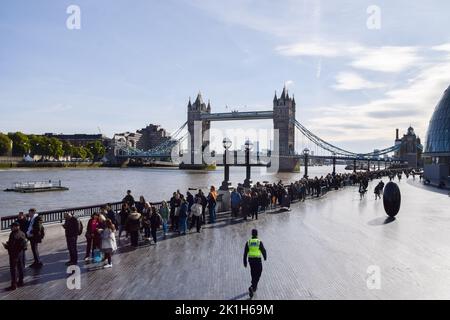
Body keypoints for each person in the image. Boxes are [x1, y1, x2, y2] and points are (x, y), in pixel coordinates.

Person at [2, 222, 27, 291]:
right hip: (20, 253)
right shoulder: (22, 233)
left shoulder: (13, 234)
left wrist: (6, 246)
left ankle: (14, 285)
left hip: (14, 254)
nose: (11, 228)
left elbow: (12, 246)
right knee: (20, 267)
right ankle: (21, 281)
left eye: (12, 227)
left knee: (13, 269)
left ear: (16, 227)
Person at [243, 229, 267, 298]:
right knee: (259, 272)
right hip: (257, 260)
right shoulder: (259, 242)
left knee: (253, 273)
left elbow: (245, 253)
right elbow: (263, 250)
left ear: (252, 234)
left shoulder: (248, 242)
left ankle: (254, 287)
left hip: (251, 261)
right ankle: (252, 286)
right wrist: (265, 257)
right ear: (257, 234)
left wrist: (245, 262)